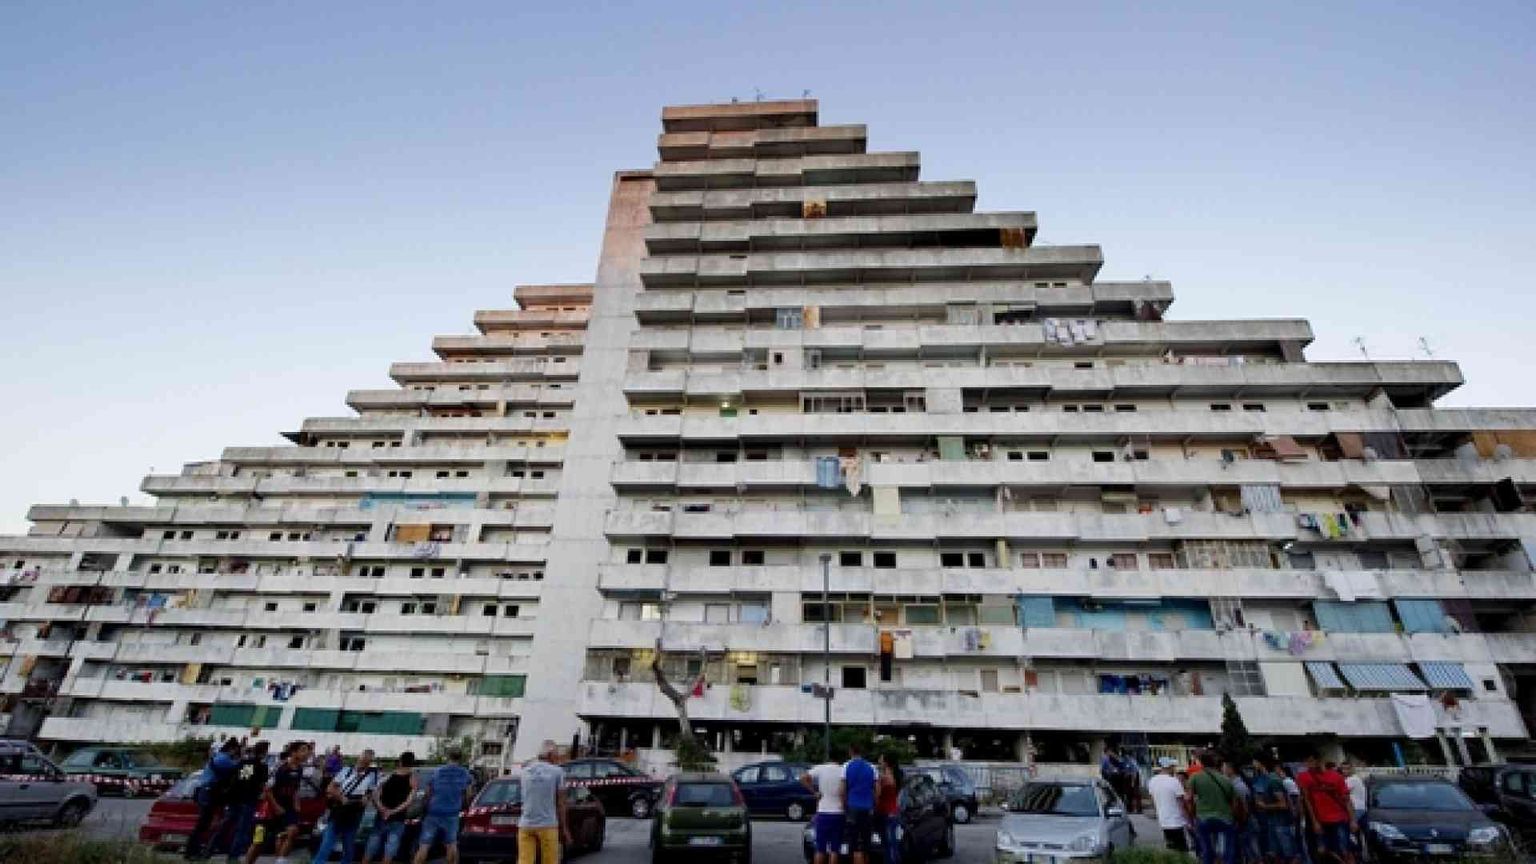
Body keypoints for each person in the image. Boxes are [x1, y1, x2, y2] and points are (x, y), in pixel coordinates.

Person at [312, 748, 379, 864]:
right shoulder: (346, 771)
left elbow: (370, 791)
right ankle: (319, 862)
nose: (364, 764)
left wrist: (366, 798)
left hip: (355, 809)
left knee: (348, 842)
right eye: (363, 760)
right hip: (340, 807)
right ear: (359, 758)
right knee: (329, 840)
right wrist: (340, 797)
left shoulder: (371, 775)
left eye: (367, 762)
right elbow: (330, 788)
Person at [246, 742, 309, 864]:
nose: (306, 753)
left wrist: (296, 803)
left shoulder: (300, 769)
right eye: (303, 750)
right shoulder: (280, 767)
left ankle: (280, 860)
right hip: (268, 809)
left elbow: (295, 789)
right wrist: (276, 806)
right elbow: (267, 789)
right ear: (293, 752)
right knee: (258, 842)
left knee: (291, 832)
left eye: (307, 750)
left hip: (287, 809)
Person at [210, 741, 269, 863]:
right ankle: (233, 856)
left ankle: (210, 849)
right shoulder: (260, 766)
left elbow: (241, 780)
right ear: (263, 753)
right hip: (248, 800)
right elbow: (260, 784)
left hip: (236, 798)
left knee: (226, 825)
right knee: (241, 829)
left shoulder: (245, 763)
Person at [414, 747, 473, 864]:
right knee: (451, 844)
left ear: (448, 757)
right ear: (460, 758)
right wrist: (464, 806)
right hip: (452, 813)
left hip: (433, 812)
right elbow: (469, 795)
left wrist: (424, 807)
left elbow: (428, 792)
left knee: (424, 844)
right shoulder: (465, 774)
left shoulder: (438, 772)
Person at [185, 738, 242, 860]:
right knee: (202, 824)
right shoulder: (223, 759)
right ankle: (191, 851)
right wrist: (246, 761)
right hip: (208, 793)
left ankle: (194, 850)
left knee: (204, 824)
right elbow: (238, 769)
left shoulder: (218, 757)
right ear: (232, 749)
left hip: (207, 792)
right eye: (236, 751)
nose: (236, 754)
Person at [518, 740, 572, 864]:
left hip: (525, 824)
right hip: (548, 824)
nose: (558, 757)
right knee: (550, 861)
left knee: (524, 861)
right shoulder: (558, 772)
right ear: (550, 754)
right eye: (556, 754)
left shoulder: (524, 771)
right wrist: (564, 828)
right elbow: (561, 803)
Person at [1297, 754, 1355, 864]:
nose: (1310, 765)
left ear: (1320, 761)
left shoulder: (1336, 776)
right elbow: (1307, 800)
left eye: (1312, 761)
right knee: (1323, 851)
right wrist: (1314, 822)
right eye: (1307, 762)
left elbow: (1346, 799)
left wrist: (1352, 820)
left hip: (1340, 818)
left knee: (1344, 850)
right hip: (1322, 820)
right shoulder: (1304, 777)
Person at [362, 751, 418, 864]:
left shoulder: (388, 775)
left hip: (382, 815)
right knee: (392, 845)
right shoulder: (413, 778)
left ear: (400, 761)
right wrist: (392, 812)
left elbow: (375, 793)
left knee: (373, 842)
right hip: (398, 817)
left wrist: (381, 808)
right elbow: (409, 801)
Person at [1189, 750, 1239, 864]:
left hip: (1203, 817)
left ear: (1201, 763)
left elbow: (1188, 799)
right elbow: (1235, 803)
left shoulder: (1195, 777)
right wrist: (1234, 818)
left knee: (1206, 850)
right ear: (1216, 763)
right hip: (1225, 818)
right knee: (1228, 850)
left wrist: (1192, 816)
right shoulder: (1225, 779)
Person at [1253, 756, 1299, 864]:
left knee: (1288, 853)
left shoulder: (1273, 780)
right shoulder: (1266, 779)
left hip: (1280, 821)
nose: (1253, 764)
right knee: (1278, 853)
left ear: (1261, 763)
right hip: (1273, 821)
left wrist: (1264, 806)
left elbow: (1283, 804)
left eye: (1255, 761)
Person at [803, 754, 846, 864]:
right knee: (835, 849)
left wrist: (814, 792)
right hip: (838, 812)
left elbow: (803, 777)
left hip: (823, 812)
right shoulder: (843, 770)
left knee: (820, 848)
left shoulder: (820, 768)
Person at [842, 744, 878, 864]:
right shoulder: (872, 767)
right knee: (866, 841)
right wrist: (874, 804)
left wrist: (844, 805)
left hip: (853, 807)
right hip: (867, 807)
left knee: (854, 842)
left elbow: (843, 789)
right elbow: (877, 790)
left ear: (851, 752)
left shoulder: (846, 766)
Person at [1148, 757, 1190, 853]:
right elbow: (1181, 802)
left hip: (1163, 819)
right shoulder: (1174, 781)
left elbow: (1153, 799)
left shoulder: (1152, 781)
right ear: (1169, 767)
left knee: (1171, 846)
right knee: (1182, 849)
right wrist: (1188, 819)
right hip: (1176, 819)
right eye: (1173, 766)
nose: (1174, 769)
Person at [876, 754, 903, 864]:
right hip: (893, 811)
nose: (879, 762)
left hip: (885, 811)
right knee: (892, 840)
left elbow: (877, 794)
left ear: (886, 763)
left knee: (887, 842)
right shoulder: (895, 776)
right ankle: (895, 859)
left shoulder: (884, 778)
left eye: (881, 760)